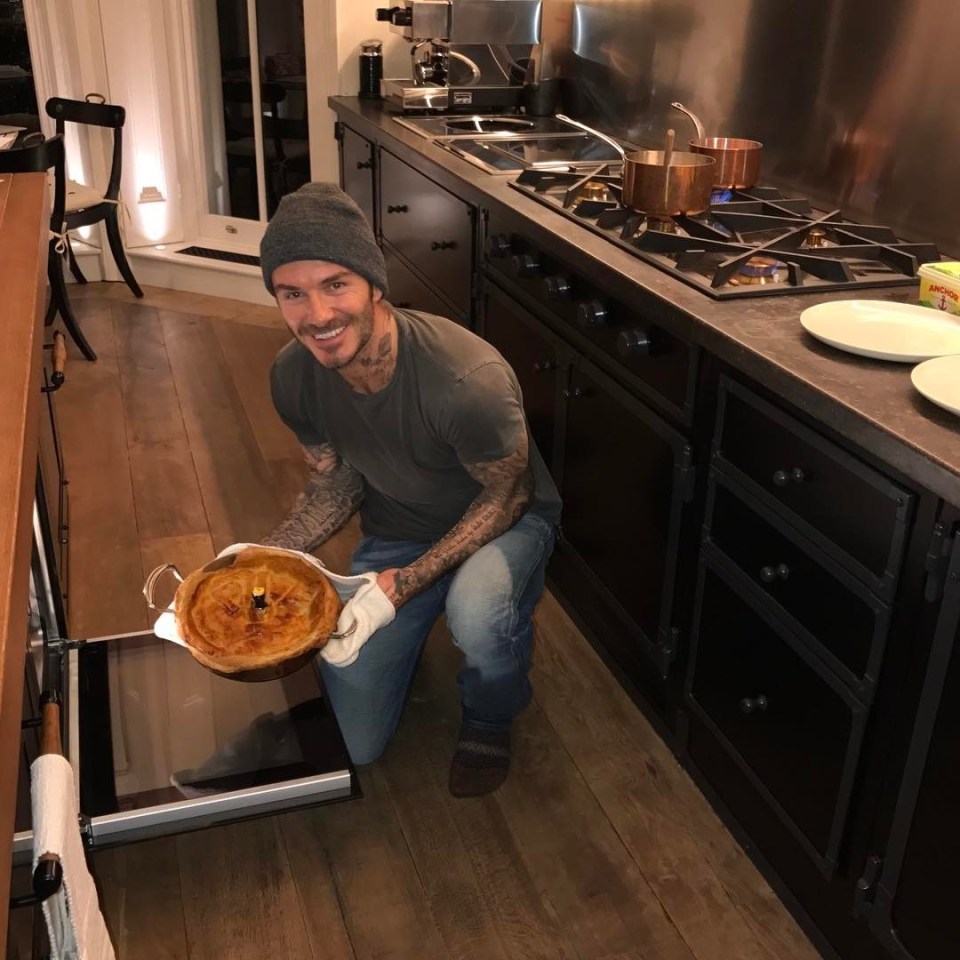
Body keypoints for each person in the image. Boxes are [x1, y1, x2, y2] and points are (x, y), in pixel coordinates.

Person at [259, 182, 562, 797]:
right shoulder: (293, 376)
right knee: (358, 746)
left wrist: (408, 582)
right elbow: (335, 479)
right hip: (398, 530)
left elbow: (508, 496)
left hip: (504, 523)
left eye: (335, 285)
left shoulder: (466, 378)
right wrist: (266, 557)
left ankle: (489, 713)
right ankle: (406, 638)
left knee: (476, 612)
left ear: (375, 285)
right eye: (293, 293)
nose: (316, 317)